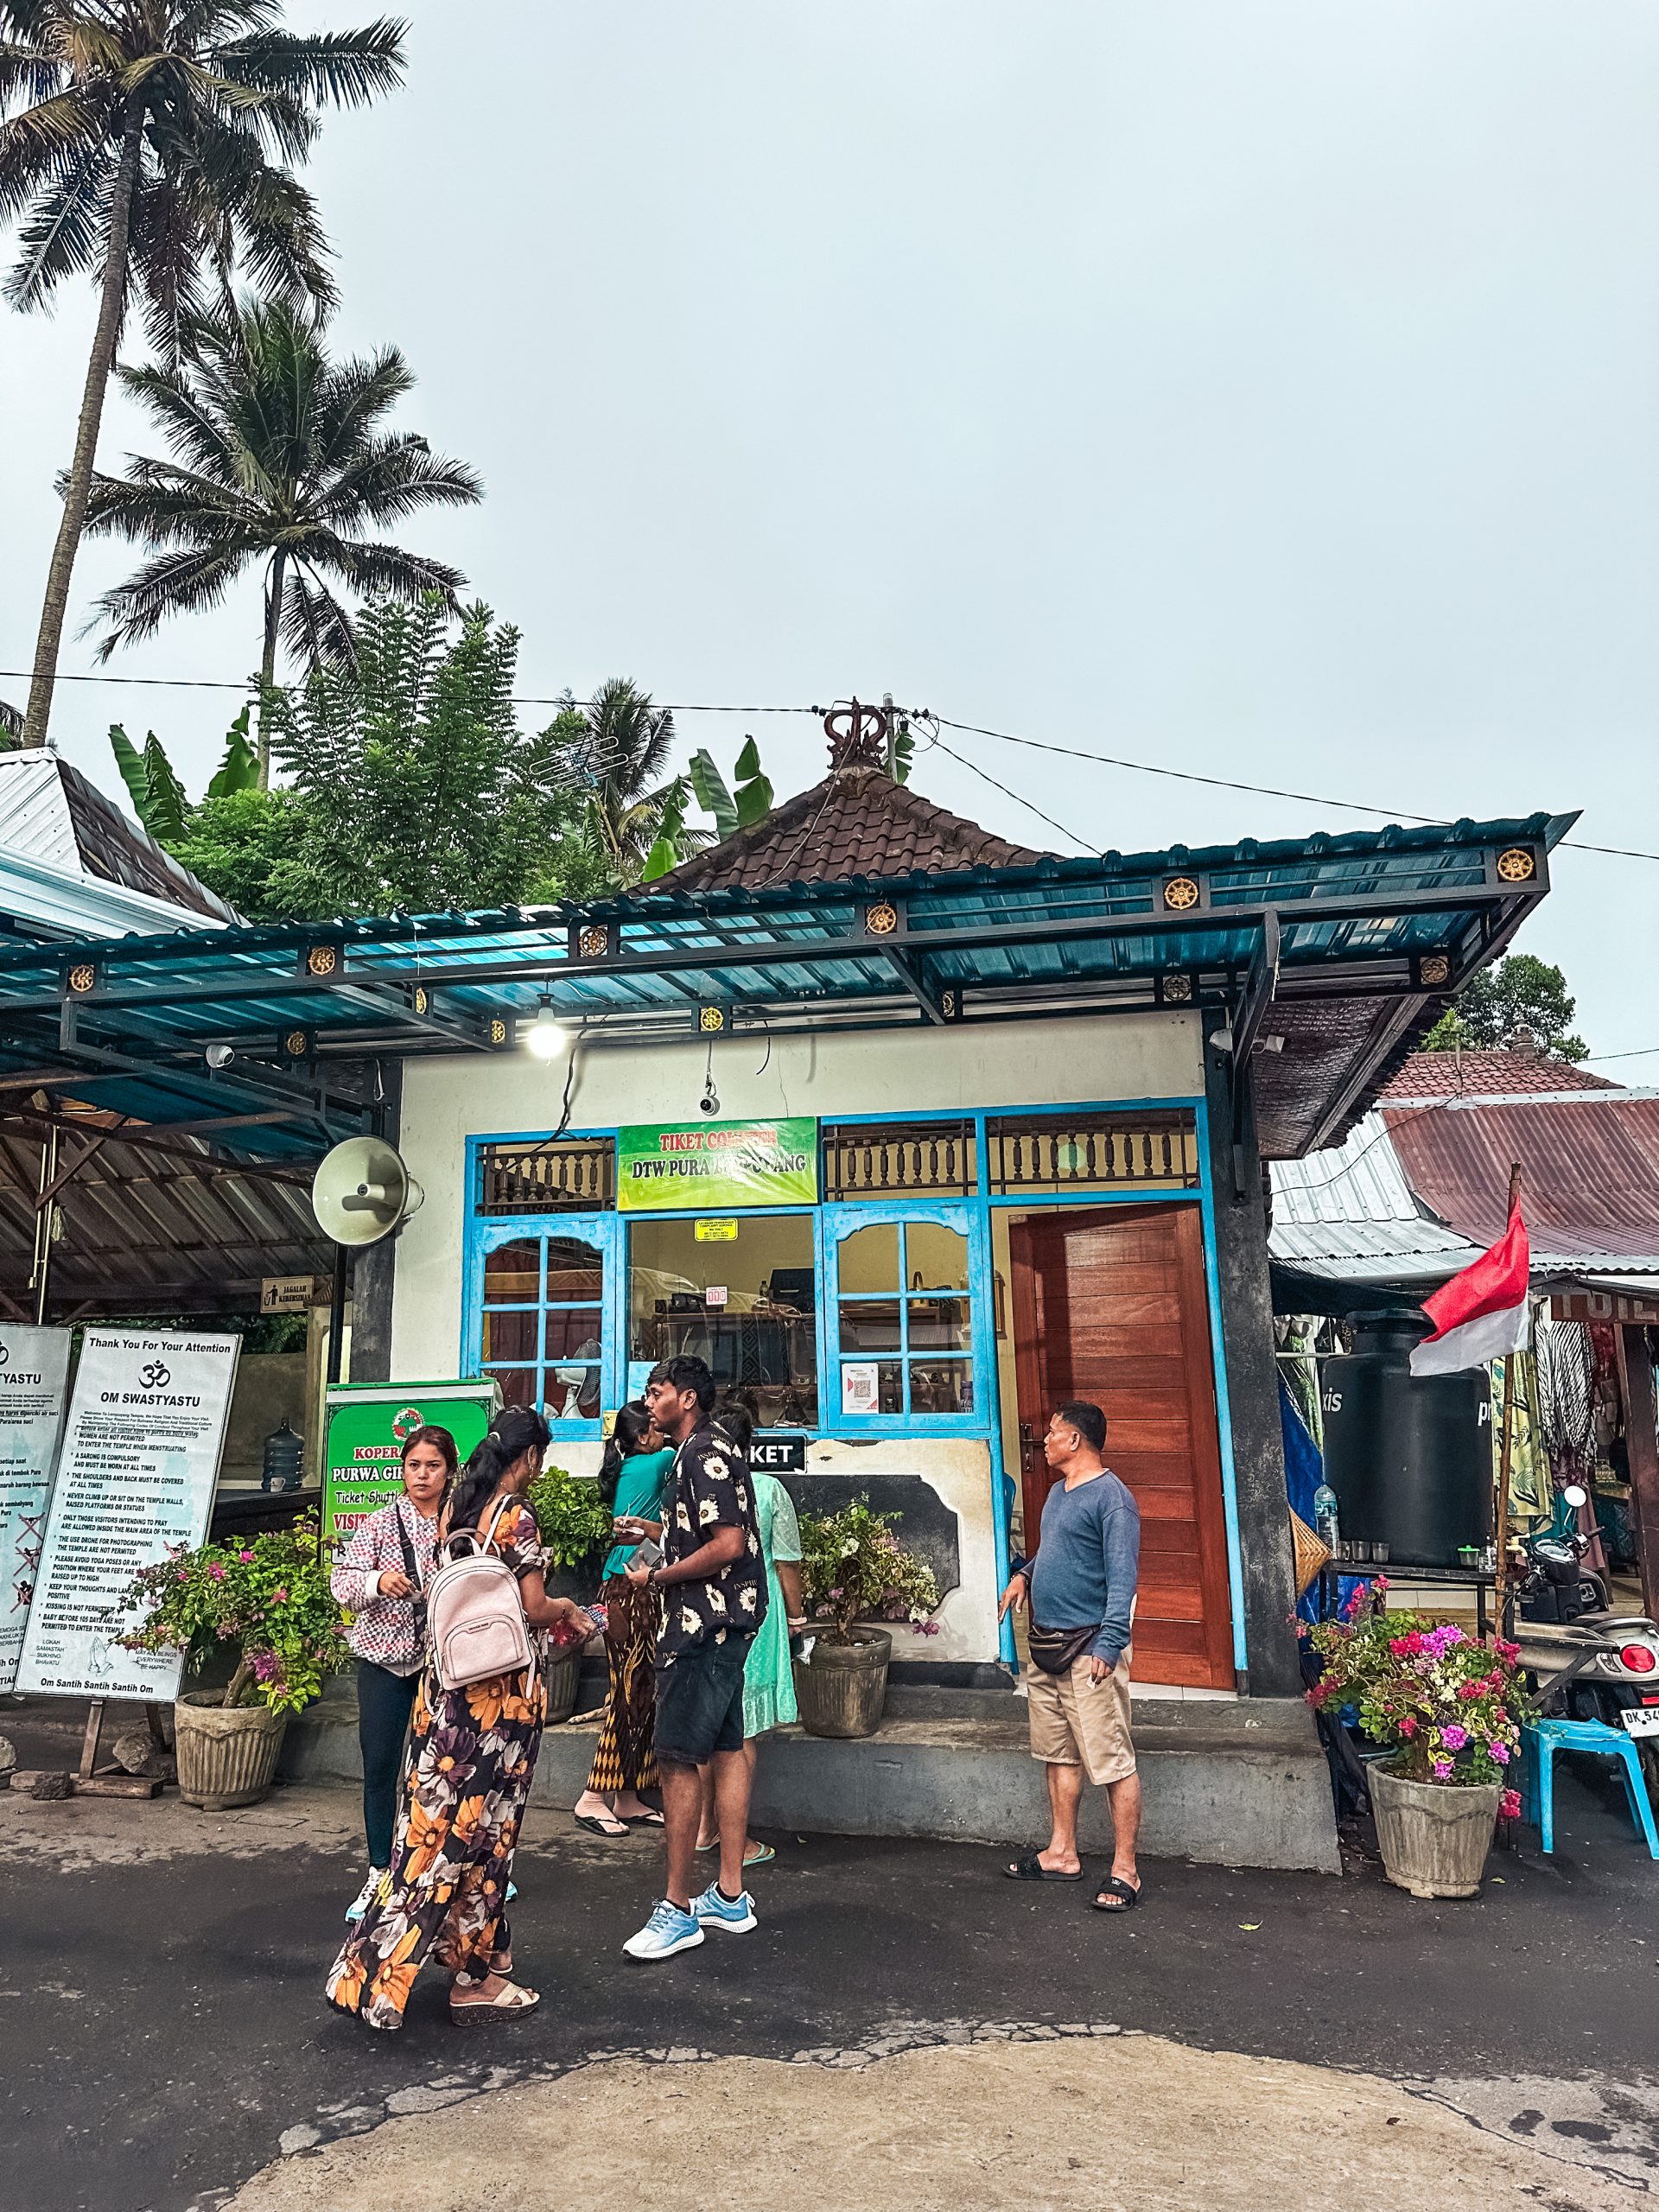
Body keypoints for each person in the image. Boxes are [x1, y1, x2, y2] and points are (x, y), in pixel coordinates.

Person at [325, 1404, 589, 2029]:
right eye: (540, 1459)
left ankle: (384, 1971)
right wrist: (572, 1608)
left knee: (430, 1833)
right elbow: (533, 1606)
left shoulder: (454, 1513)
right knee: (483, 1838)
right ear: (528, 1458)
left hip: (446, 1695)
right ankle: (463, 1980)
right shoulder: (515, 1517)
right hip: (501, 1704)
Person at [620, 1356, 767, 1961]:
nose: (650, 1402)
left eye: (657, 1392)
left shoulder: (701, 1452)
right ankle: (730, 1896)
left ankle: (678, 1907)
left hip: (702, 1625)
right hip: (726, 1626)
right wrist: (654, 1531)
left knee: (678, 1760)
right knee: (728, 1750)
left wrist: (658, 1576)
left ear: (685, 1398)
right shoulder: (708, 1451)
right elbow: (708, 1528)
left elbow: (726, 1544)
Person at [999, 1400, 1143, 1912]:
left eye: (1053, 1432)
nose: (1045, 1439)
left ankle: (1125, 1868)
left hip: (1089, 1652)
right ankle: (1062, 1852)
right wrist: (1026, 1575)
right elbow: (1056, 1548)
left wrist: (1110, 1642)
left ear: (1076, 1440)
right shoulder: (1058, 1494)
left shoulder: (1113, 1500)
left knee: (1112, 1760)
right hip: (1046, 1647)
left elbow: (1123, 1577)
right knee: (1057, 1754)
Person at [329, 1423, 458, 1921]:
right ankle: (380, 1872)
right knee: (381, 1765)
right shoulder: (382, 1522)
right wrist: (377, 1580)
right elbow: (342, 1583)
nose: (422, 1475)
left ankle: (452, 1868)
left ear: (450, 1471)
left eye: (433, 1466)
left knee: (444, 1771)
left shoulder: (464, 1521)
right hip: (383, 1660)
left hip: (441, 1665)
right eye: (413, 1465)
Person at [696, 1398, 803, 1870]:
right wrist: (798, 1618)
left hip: (703, 1610)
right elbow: (786, 1563)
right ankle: (736, 1843)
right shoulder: (767, 1489)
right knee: (741, 1729)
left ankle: (703, 1828)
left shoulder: (693, 1483)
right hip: (755, 1610)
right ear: (749, 1443)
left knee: (709, 1722)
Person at [573, 1400, 674, 1837]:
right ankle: (592, 1797)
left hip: (628, 1585)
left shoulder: (629, 1465)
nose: (663, 1429)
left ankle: (628, 1797)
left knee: (641, 1691)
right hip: (630, 1590)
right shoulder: (659, 1462)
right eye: (655, 1425)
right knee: (627, 1691)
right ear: (641, 1437)